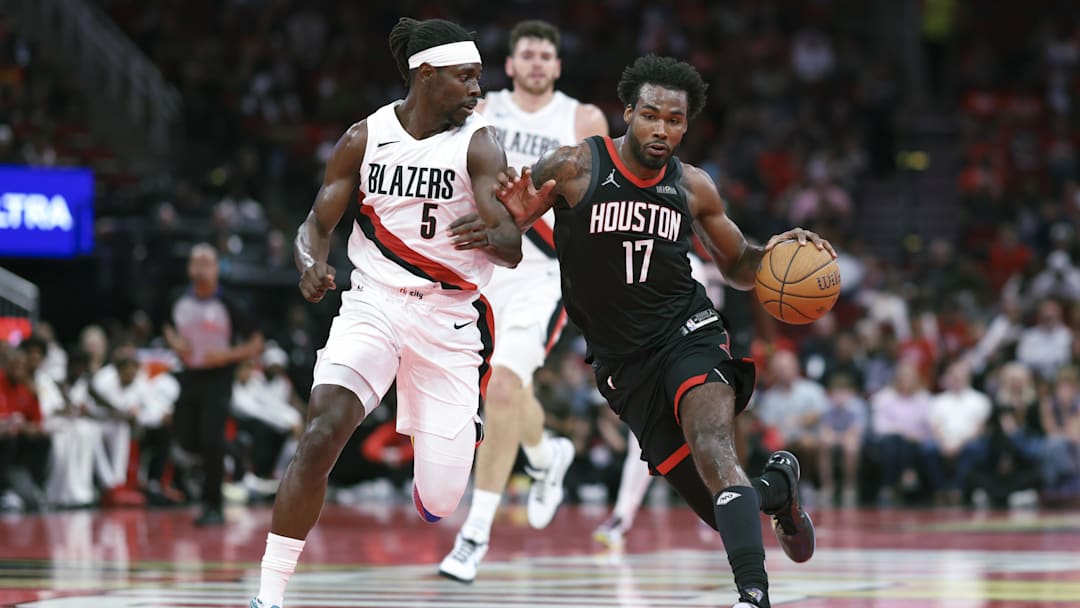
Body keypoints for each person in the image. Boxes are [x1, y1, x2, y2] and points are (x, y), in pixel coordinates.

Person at [495, 55, 828, 608]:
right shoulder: (575, 166)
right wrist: (508, 223)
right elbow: (507, 245)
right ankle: (779, 490)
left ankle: (753, 596)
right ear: (627, 113)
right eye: (651, 115)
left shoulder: (692, 186)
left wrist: (775, 253)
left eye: (675, 120)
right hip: (623, 364)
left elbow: (739, 267)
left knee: (714, 445)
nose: (662, 129)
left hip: (688, 333)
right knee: (724, 509)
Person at [248, 17, 522, 608]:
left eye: (478, 78)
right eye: (466, 78)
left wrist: (497, 231)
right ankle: (268, 594)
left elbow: (512, 248)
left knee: (443, 501)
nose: (478, 90)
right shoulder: (363, 137)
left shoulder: (480, 141)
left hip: (449, 319)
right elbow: (316, 224)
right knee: (322, 432)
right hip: (373, 303)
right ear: (427, 76)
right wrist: (309, 262)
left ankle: (436, 471)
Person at [438, 19, 609, 583]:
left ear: (558, 66)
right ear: (509, 65)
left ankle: (474, 534)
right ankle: (543, 455)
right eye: (526, 55)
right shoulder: (483, 112)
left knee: (504, 389)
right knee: (505, 393)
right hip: (484, 267)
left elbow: (600, 207)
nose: (536, 63)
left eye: (546, 55)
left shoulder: (583, 120)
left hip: (543, 274)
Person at [163, 243, 264, 526]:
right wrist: (174, 342)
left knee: (211, 439)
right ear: (188, 268)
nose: (201, 268)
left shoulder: (231, 303)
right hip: (189, 374)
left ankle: (213, 506)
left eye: (207, 262)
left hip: (219, 377)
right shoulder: (176, 298)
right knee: (184, 434)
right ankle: (226, 451)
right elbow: (166, 326)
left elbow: (256, 342)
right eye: (196, 262)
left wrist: (226, 355)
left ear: (217, 268)